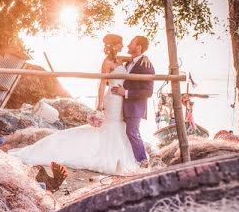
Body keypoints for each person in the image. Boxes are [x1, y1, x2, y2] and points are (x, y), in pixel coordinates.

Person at [8, 34, 141, 175]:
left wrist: (145, 58)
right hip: (112, 99)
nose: (122, 46)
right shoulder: (107, 62)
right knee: (110, 125)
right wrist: (99, 104)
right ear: (115, 45)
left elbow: (136, 58)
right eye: (120, 43)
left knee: (117, 125)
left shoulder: (121, 60)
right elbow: (102, 84)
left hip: (121, 99)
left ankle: (120, 153)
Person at [110, 35, 156, 164]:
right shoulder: (129, 62)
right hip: (121, 105)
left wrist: (125, 92)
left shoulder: (146, 66)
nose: (128, 45)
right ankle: (130, 160)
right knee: (124, 133)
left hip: (135, 107)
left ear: (139, 47)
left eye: (131, 43)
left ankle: (143, 161)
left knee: (132, 133)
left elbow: (149, 91)